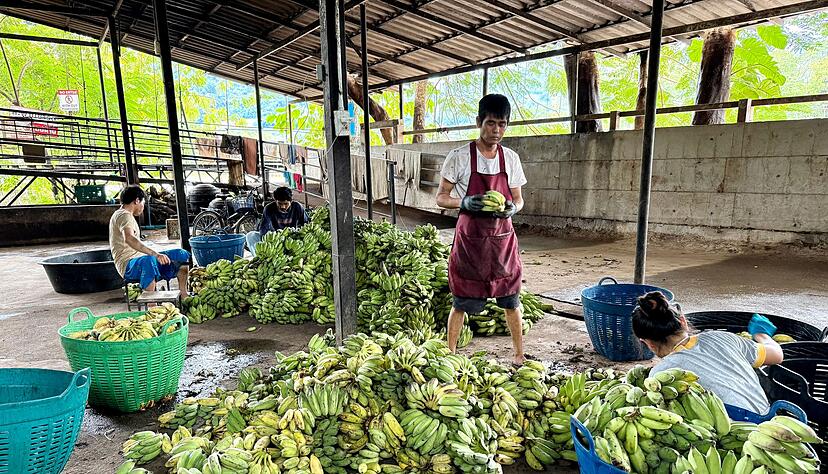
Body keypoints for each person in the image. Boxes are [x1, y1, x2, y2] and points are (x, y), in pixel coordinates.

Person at [436, 94, 527, 366]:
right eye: (490, 123)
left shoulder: (510, 158)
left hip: (502, 244)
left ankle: (519, 354)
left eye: (502, 124)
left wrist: (513, 208)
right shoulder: (459, 157)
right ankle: (450, 353)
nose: (496, 130)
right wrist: (463, 202)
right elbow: (441, 197)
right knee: (461, 302)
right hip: (471, 243)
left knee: (511, 301)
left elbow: (518, 198)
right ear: (479, 122)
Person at [632, 291, 783, 413]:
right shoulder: (722, 337)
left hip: (731, 434)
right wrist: (761, 334)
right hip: (768, 417)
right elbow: (777, 355)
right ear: (683, 321)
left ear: (648, 343)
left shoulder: (660, 375)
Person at [109, 185, 190, 299]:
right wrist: (155, 254)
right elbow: (129, 238)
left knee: (180, 254)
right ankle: (152, 304)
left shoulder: (125, 215)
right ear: (137, 200)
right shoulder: (124, 215)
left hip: (139, 259)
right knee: (149, 260)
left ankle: (183, 294)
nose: (143, 206)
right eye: (143, 202)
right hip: (128, 265)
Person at [246, 186, 309, 256]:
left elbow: (305, 224)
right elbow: (264, 228)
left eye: (286, 204)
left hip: (292, 240)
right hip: (275, 239)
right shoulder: (269, 208)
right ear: (275, 200)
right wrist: (267, 243)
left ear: (291, 201)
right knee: (250, 236)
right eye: (280, 203)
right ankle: (259, 257)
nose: (283, 207)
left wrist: (298, 234)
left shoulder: (297, 207)